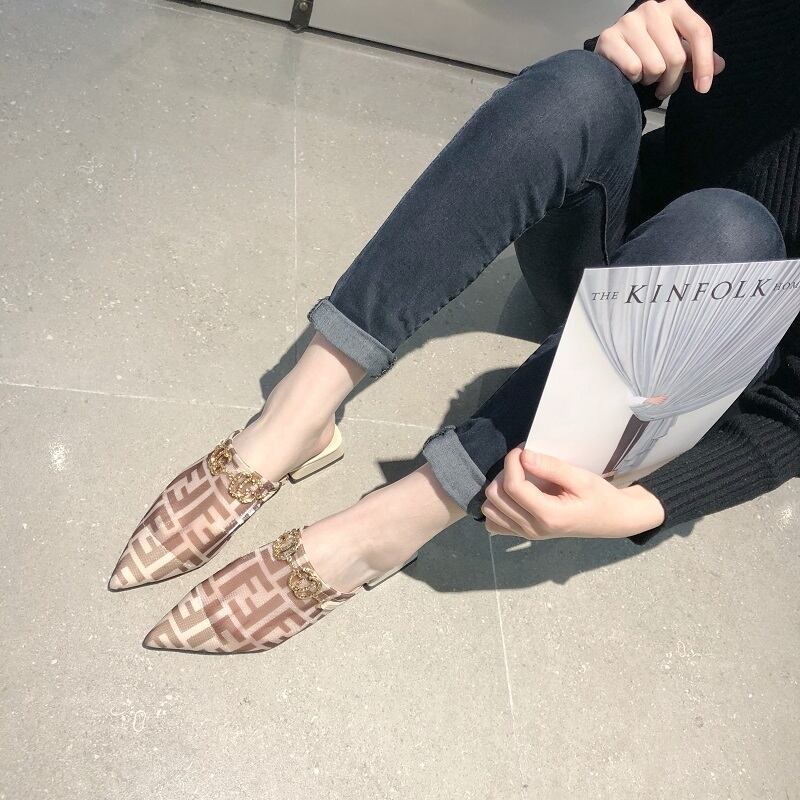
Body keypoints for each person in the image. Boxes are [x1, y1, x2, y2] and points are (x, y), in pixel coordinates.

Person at [110, 0, 800, 654]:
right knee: (582, 85)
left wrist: (644, 506)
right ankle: (298, 413)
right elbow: (656, 70)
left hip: (686, 353)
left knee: (730, 231)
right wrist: (634, 44)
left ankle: (398, 521)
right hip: (607, 248)